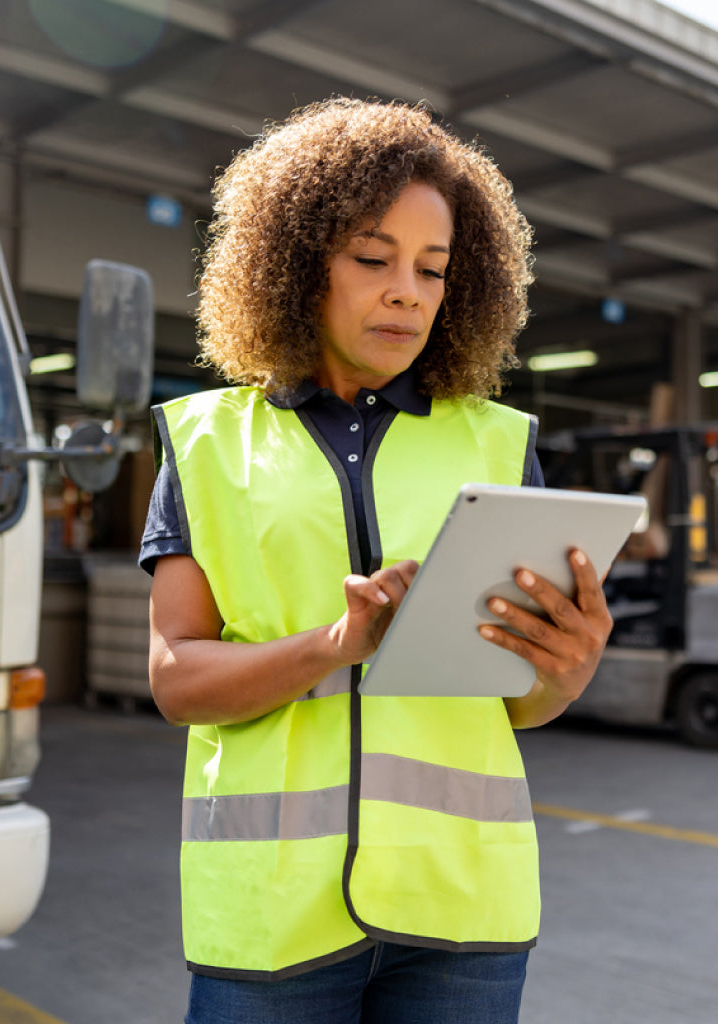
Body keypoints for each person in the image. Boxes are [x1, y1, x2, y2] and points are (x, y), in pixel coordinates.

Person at [140, 97, 613, 1024]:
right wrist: (333, 643)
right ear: (296, 263)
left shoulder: (500, 446)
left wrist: (567, 671)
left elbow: (520, 703)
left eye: (433, 271)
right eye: (373, 259)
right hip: (272, 922)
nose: (407, 291)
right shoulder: (203, 445)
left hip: (461, 913)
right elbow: (175, 679)